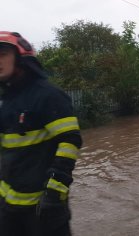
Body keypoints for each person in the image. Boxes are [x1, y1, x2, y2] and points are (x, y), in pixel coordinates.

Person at [0, 31, 82, 235]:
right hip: (8, 208)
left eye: (2, 54)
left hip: (43, 209)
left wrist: (55, 192)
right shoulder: (6, 100)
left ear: (20, 57)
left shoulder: (48, 95)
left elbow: (70, 141)